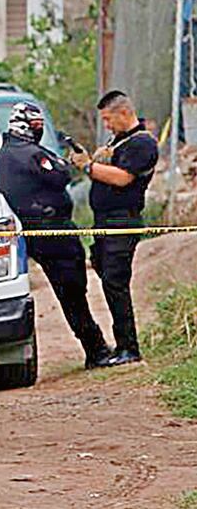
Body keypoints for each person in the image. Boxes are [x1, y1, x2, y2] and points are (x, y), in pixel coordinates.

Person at [0, 103, 112, 369]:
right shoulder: (27, 153)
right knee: (73, 293)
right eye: (36, 125)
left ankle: (96, 347)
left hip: (40, 232)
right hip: (53, 233)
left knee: (71, 292)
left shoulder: (9, 152)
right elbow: (60, 176)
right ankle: (97, 350)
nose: (39, 129)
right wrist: (67, 165)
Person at [71, 90, 159, 366]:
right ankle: (122, 345)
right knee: (105, 273)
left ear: (124, 113)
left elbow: (123, 179)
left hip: (122, 221)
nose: (106, 126)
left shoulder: (142, 144)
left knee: (115, 281)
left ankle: (128, 348)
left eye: (109, 119)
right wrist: (93, 159)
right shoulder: (120, 141)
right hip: (104, 222)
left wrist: (88, 168)